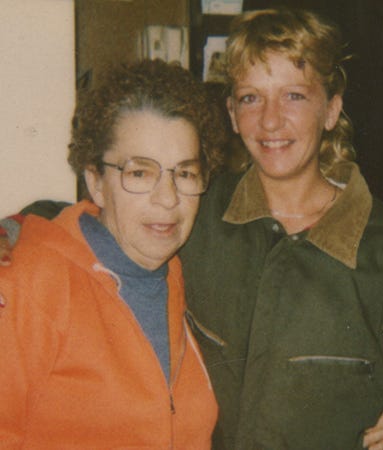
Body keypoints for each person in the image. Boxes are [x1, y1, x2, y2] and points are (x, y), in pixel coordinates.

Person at [2, 8, 383, 449]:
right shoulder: (199, 211)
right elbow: (99, 221)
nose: (271, 120)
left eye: (294, 96)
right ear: (233, 114)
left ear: (332, 108)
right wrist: (12, 229)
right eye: (251, 97)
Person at [0, 59, 225, 448]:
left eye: (184, 173)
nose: (168, 198)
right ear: (96, 181)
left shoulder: (174, 275)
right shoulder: (31, 283)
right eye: (140, 173)